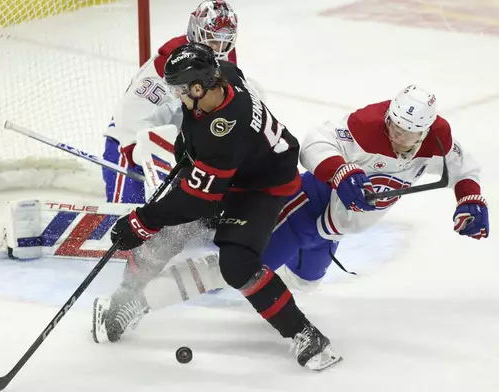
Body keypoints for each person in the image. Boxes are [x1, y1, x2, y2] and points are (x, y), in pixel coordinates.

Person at [93, 84, 489, 363]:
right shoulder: (368, 124)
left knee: (307, 281)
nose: (397, 135)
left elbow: (461, 165)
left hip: (330, 232)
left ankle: (244, 258)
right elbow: (315, 141)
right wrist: (343, 172)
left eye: (407, 133)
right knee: (234, 271)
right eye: (394, 126)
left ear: (424, 129)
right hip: (304, 206)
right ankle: (133, 304)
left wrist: (469, 199)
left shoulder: (437, 139)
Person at [94, 42, 342, 372]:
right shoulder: (222, 77)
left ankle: (306, 335)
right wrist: (186, 150)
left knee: (236, 264)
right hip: (239, 167)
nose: (178, 97)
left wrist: (141, 222)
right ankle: (126, 301)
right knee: (169, 228)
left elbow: (197, 199)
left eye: (182, 90)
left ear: (199, 86)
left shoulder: (224, 131)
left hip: (262, 187)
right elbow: (201, 111)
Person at [103, 0, 239, 204]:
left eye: (224, 42)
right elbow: (130, 114)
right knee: (127, 216)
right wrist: (136, 151)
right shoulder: (172, 60)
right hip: (129, 142)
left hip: (174, 149)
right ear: (196, 32)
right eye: (212, 40)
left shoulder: (225, 58)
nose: (218, 48)